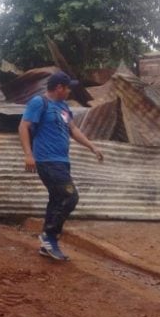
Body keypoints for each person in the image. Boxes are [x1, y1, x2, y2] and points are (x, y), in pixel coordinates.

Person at [18, 71, 104, 261]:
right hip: (46, 161)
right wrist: (28, 154)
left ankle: (46, 245)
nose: (69, 91)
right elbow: (23, 126)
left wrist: (92, 147)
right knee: (70, 196)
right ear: (59, 88)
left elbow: (73, 129)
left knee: (57, 199)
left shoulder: (64, 107)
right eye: (67, 88)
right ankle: (49, 236)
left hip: (62, 161)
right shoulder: (39, 103)